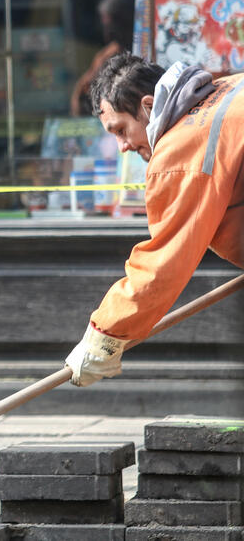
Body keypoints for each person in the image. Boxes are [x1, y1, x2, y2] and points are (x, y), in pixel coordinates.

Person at [65, 53, 244, 387]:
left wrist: (104, 335)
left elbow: (164, 263)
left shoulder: (181, 150)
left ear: (148, 106)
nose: (122, 147)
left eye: (121, 130)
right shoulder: (230, 89)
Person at [69, 0, 135, 116]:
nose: (107, 31)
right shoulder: (109, 55)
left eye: (112, 24)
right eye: (105, 25)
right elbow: (82, 97)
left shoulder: (119, 51)